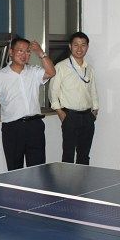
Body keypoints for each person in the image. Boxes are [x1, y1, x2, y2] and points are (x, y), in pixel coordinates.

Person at [0, 37, 56, 170]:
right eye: (20, 51)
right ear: (11, 52)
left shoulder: (34, 71)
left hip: (35, 125)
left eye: (27, 51)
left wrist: (40, 53)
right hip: (13, 128)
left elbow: (51, 72)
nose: (24, 55)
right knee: (15, 170)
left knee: (38, 170)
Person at [49, 31, 99, 165]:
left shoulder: (89, 68)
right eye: (76, 45)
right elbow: (53, 92)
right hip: (70, 116)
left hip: (88, 116)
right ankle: (67, 180)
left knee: (84, 155)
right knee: (68, 155)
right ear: (70, 46)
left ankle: (83, 179)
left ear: (87, 47)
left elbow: (93, 90)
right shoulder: (61, 67)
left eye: (83, 45)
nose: (79, 48)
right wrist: (60, 112)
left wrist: (95, 110)